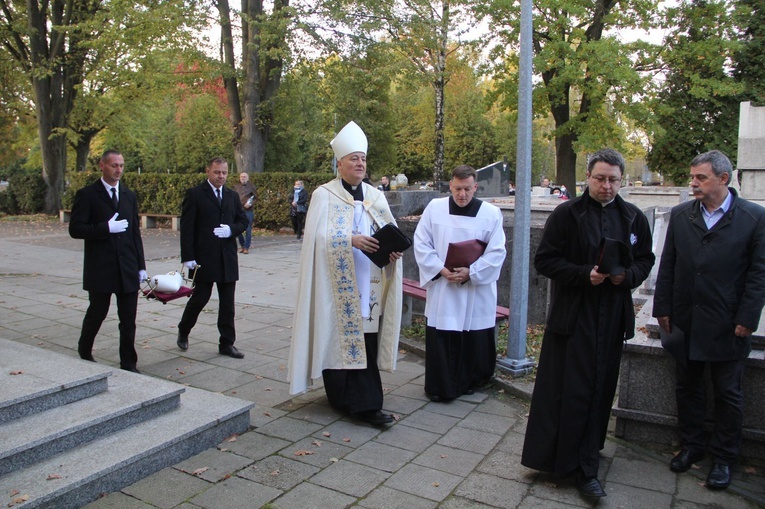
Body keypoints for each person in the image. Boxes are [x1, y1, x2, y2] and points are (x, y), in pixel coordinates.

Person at [521, 148, 655, 498]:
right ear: (588, 178)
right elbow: (545, 261)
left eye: (613, 180)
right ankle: (564, 460)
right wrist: (584, 274)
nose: (606, 186)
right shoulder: (567, 214)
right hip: (574, 315)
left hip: (611, 315)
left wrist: (625, 277)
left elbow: (645, 260)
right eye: (600, 179)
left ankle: (585, 457)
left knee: (599, 388)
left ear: (621, 181)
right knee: (569, 388)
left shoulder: (633, 217)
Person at [653, 150, 765, 490]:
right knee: (688, 387)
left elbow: (758, 274)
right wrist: (663, 309)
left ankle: (724, 459)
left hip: (728, 323)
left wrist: (747, 317)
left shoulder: (754, 217)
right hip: (686, 319)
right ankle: (691, 446)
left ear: (723, 179)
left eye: (701, 178)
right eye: (693, 177)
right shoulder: (682, 214)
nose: (693, 183)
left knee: (728, 393)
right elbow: (668, 264)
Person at [288, 121, 403, 426]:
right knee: (338, 338)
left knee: (365, 342)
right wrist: (349, 239)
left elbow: (388, 232)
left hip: (370, 283)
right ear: (339, 163)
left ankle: (366, 404)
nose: (360, 164)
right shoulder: (324, 195)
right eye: (353, 158)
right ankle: (343, 398)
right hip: (336, 286)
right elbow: (314, 240)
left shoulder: (375, 197)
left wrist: (392, 253)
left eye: (363, 159)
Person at [414, 165, 506, 402]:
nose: (462, 194)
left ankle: (469, 382)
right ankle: (440, 387)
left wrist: (471, 272)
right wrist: (441, 269)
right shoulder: (435, 209)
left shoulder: (491, 213)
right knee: (443, 336)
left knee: (471, 336)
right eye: (457, 189)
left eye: (467, 189)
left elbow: (497, 252)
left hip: (475, 288)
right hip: (444, 286)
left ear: (475, 187)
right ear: (450, 186)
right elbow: (422, 243)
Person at [69, 150, 146, 373]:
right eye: (114, 165)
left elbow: (134, 234)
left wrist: (141, 266)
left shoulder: (129, 195)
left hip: (127, 266)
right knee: (97, 312)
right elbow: (75, 229)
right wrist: (105, 228)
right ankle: (85, 349)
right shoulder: (88, 194)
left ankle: (128, 363)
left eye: (121, 165)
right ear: (102, 166)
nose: (119, 170)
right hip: (101, 267)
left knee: (128, 319)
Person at [176, 157, 249, 359]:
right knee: (200, 298)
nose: (221, 176)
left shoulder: (232, 196)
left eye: (224, 172)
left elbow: (242, 221)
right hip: (204, 256)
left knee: (227, 303)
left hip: (226, 257)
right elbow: (187, 227)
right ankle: (184, 329)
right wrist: (188, 256)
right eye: (217, 172)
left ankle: (227, 343)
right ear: (208, 171)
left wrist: (231, 230)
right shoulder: (196, 194)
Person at [234, 172, 257, 254]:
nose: (243, 178)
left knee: (248, 228)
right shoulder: (236, 187)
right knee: (238, 229)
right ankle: (242, 245)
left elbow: (255, 198)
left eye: (244, 177)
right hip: (238, 210)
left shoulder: (252, 187)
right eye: (241, 177)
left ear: (247, 178)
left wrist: (250, 204)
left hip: (248, 210)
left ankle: (247, 247)